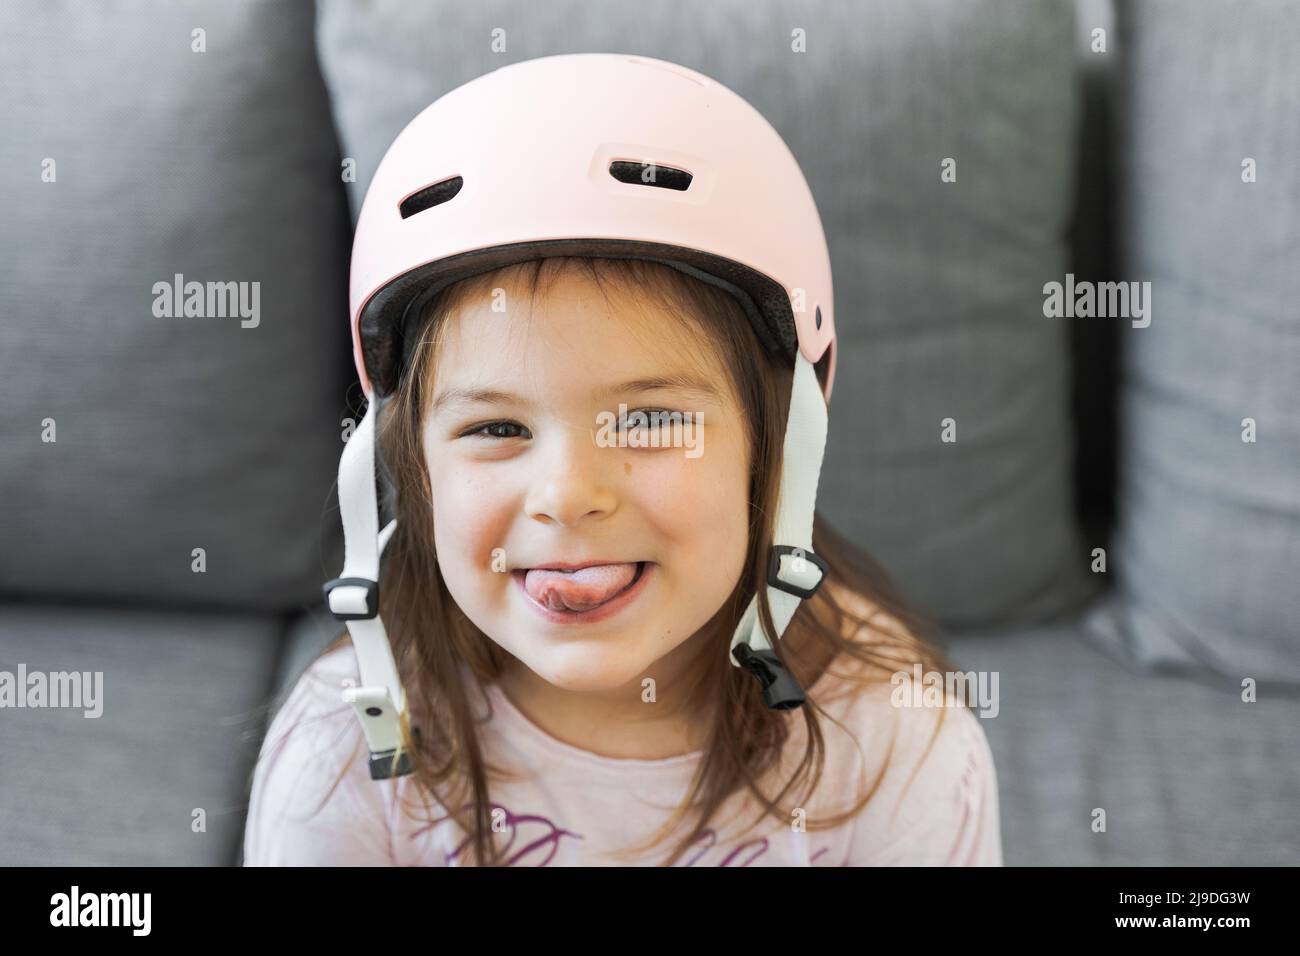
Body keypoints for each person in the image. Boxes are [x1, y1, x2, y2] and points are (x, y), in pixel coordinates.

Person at [243, 53, 1002, 867]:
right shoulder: (340, 750)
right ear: (415, 467)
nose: (567, 497)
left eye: (646, 420)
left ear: (781, 443)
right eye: (496, 429)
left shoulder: (894, 735)